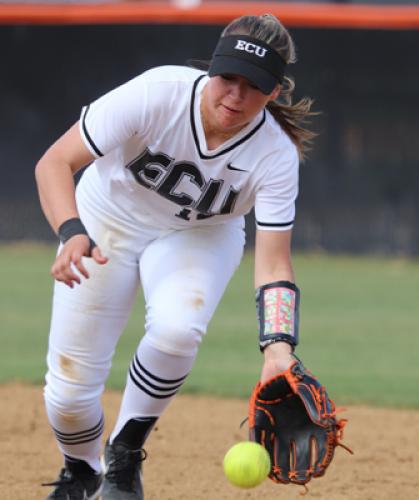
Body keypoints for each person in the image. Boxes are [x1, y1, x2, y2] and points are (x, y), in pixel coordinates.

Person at [35, 13, 316, 500]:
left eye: (253, 86)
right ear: (212, 69)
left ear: (274, 92)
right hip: (108, 219)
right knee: (68, 397)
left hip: (200, 234)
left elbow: (274, 264)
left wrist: (278, 348)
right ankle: (82, 471)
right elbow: (54, 162)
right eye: (227, 78)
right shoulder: (157, 93)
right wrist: (72, 231)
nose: (235, 95)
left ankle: (124, 456)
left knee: (178, 328)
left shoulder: (275, 153)